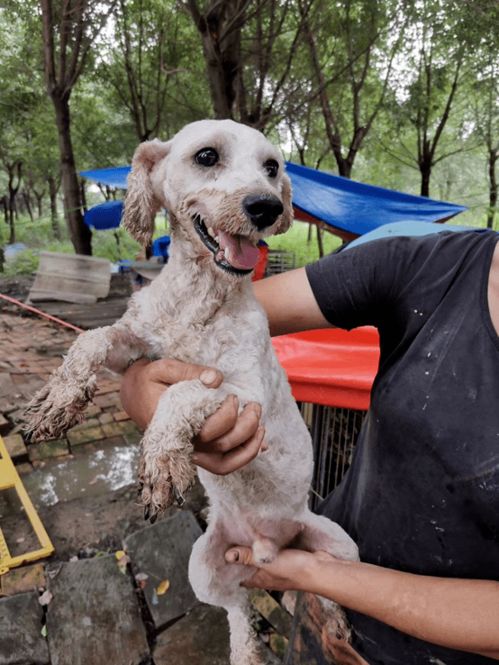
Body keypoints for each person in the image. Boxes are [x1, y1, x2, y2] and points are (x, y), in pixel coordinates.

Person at [120, 229, 499, 664]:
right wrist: (140, 390)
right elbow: (179, 330)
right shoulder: (433, 265)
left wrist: (317, 574)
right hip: (325, 596)